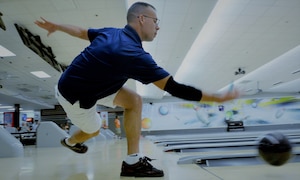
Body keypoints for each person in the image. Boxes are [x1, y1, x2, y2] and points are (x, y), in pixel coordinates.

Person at [35, 2, 239, 177]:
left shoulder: (111, 32)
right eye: (156, 21)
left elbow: (81, 32)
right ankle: (70, 141)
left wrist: (58, 26)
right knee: (93, 129)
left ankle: (132, 162)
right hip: (74, 97)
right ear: (142, 18)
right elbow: (174, 88)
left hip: (90, 84)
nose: (158, 27)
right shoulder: (133, 53)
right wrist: (215, 98)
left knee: (134, 101)